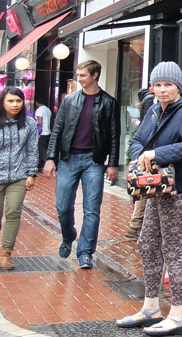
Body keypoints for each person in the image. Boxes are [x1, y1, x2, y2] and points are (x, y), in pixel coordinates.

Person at [117, 61, 182, 336]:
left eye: (168, 84)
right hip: (158, 188)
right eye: (157, 84)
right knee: (146, 243)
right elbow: (137, 140)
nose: (162, 89)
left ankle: (178, 314)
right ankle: (151, 307)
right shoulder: (155, 109)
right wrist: (141, 154)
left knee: (172, 250)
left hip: (180, 190)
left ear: (178, 86)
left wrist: (157, 154)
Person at [43, 59, 120, 270]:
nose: (79, 79)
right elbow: (57, 130)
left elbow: (114, 135)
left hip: (94, 161)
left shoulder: (108, 102)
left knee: (92, 209)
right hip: (68, 159)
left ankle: (86, 253)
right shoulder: (69, 100)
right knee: (62, 207)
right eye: (78, 75)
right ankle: (68, 235)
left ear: (95, 75)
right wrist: (51, 158)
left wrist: (112, 163)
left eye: (83, 75)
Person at [0, 87, 39, 270]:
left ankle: (6, 252)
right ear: (2, 103)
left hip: (18, 176)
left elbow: (32, 150)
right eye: (10, 101)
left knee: (14, 213)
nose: (15, 105)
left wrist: (31, 173)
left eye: (18, 101)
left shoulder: (29, 124)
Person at [126, 87, 156, 240]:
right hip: (149, 153)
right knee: (145, 191)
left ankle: (136, 226)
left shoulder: (146, 100)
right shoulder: (151, 100)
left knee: (144, 191)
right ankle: (135, 226)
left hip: (146, 151)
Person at [34, 99, 51, 171]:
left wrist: (39, 132)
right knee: (44, 149)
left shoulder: (39, 110)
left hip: (42, 133)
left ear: (37, 102)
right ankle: (39, 166)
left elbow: (39, 122)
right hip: (48, 132)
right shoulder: (48, 109)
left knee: (42, 150)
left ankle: (47, 164)